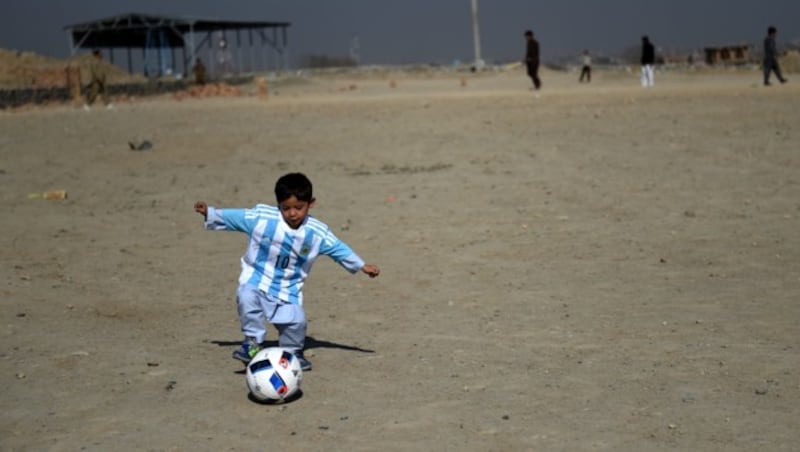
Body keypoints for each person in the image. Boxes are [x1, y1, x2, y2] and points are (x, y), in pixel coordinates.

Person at [194, 173, 380, 371]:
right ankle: (252, 344)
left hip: (289, 288)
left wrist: (362, 265)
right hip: (257, 279)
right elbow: (237, 217)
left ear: (311, 203)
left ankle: (292, 353)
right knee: (246, 298)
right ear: (278, 205)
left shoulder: (317, 232)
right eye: (286, 208)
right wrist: (211, 213)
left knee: (296, 321)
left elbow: (338, 249)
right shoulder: (262, 218)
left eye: (298, 208)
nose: (292, 213)